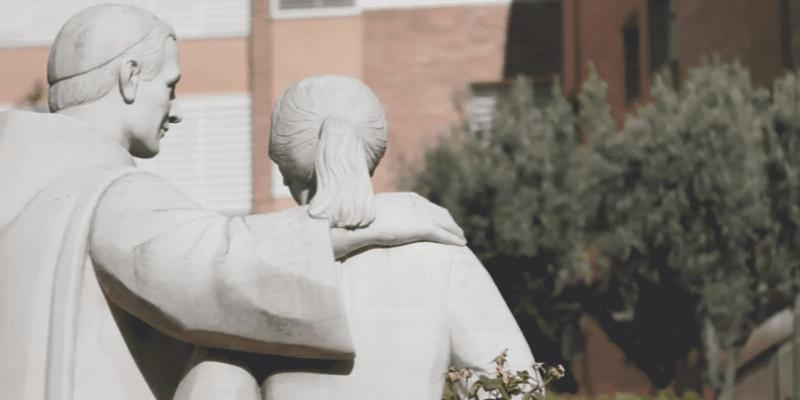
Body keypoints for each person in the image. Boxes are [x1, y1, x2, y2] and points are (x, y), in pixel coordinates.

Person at [0, 5, 464, 400]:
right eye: (170, 87)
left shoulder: (28, 179)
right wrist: (371, 217)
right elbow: (218, 264)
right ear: (130, 77)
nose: (175, 111)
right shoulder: (105, 189)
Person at [173, 75, 540, 400]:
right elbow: (514, 385)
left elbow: (212, 389)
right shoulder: (443, 257)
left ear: (288, 167)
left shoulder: (257, 264)